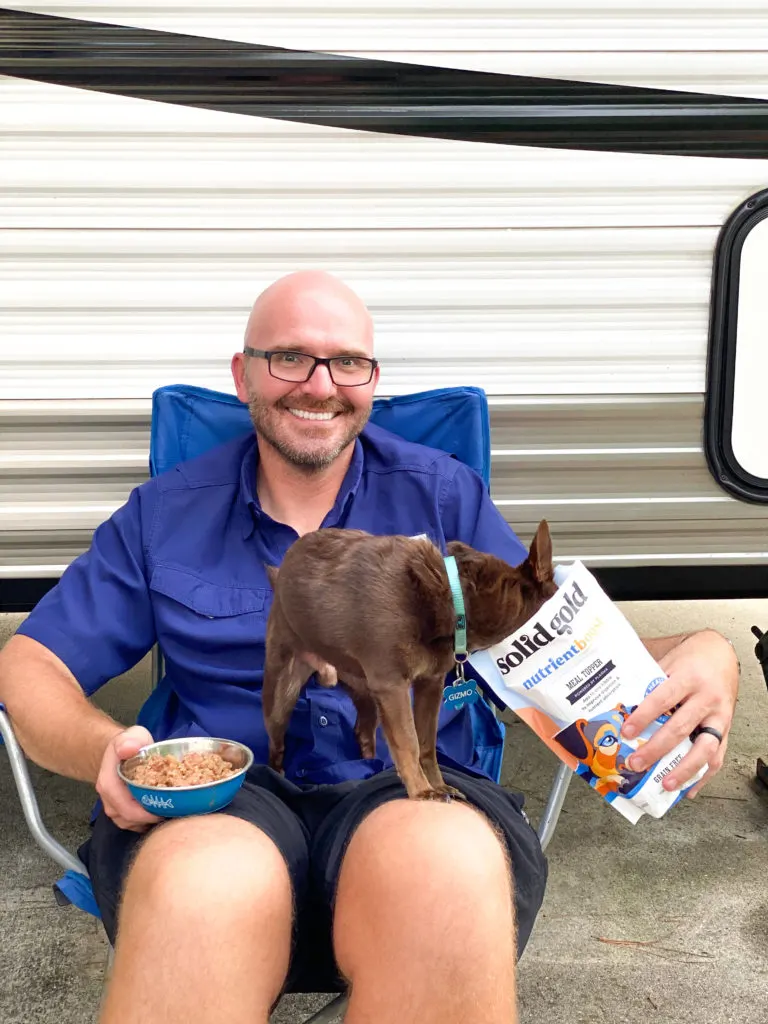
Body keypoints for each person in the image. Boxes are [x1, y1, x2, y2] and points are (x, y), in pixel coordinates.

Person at [0, 271, 739, 1024]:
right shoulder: (165, 514)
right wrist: (107, 748)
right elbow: (31, 662)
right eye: (288, 357)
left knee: (442, 871)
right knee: (203, 881)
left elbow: (551, 648)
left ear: (371, 380)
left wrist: (705, 651)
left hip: (415, 791)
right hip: (228, 798)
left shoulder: (442, 496)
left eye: (346, 362)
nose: (320, 385)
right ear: (241, 373)